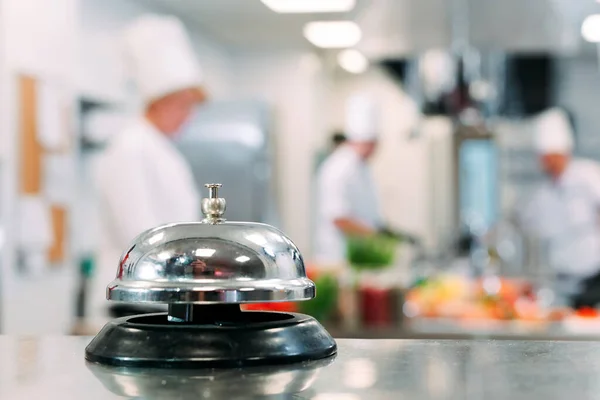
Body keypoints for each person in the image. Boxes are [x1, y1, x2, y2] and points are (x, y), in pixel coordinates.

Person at [90, 15, 206, 321]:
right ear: (160, 101)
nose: (189, 116)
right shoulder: (130, 147)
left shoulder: (162, 149)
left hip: (160, 297)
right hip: (131, 301)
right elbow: (140, 235)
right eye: (184, 105)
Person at [520, 107, 600, 308]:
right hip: (560, 283)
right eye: (543, 158)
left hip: (594, 280)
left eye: (551, 156)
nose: (547, 162)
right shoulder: (541, 195)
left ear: (564, 152)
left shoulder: (589, 176)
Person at [314, 95, 383, 265]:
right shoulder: (338, 168)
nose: (375, 150)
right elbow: (338, 216)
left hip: (357, 256)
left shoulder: (361, 167)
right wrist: (375, 236)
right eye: (372, 143)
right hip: (338, 257)